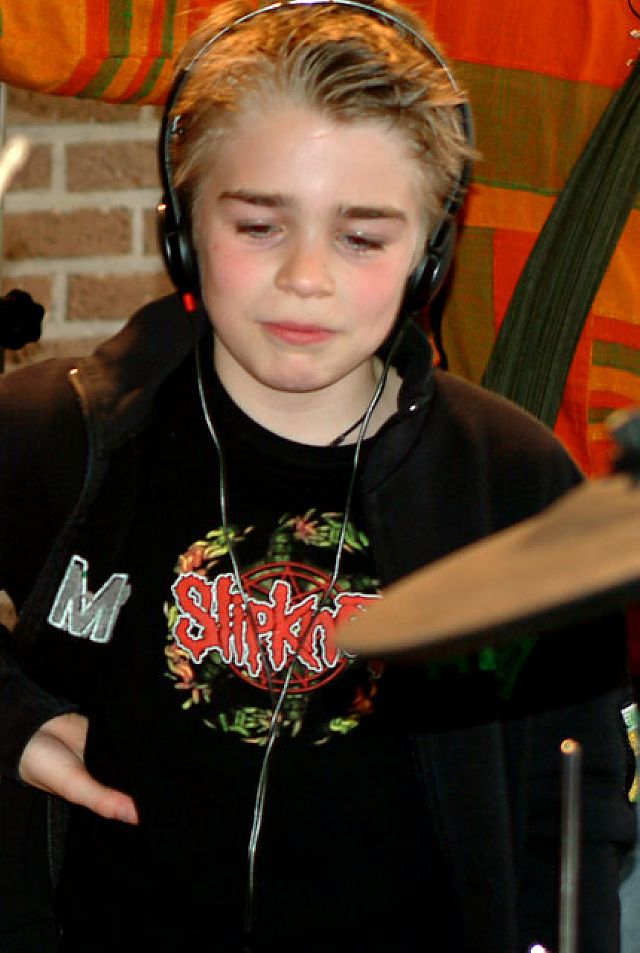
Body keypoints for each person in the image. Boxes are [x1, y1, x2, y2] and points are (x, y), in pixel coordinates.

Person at [0, 1, 635, 950]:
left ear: (430, 255)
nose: (306, 276)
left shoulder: (511, 485)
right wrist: (10, 716)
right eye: (259, 225)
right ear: (182, 229)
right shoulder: (63, 432)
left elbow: (573, 806)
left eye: (362, 238)